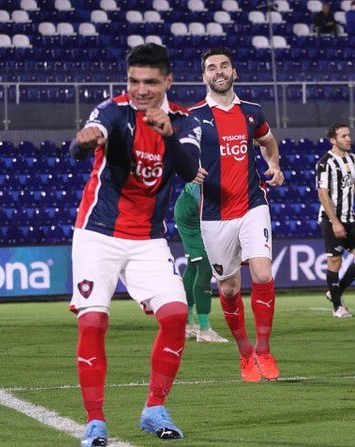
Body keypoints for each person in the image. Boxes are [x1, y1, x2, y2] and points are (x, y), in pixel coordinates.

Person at [68, 43, 203, 446]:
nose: (140, 90)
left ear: (167, 82)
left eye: (150, 82)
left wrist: (169, 135)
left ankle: (154, 408)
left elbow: (190, 169)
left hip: (147, 237)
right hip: (99, 233)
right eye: (133, 81)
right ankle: (95, 422)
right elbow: (83, 144)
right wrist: (85, 139)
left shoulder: (185, 122)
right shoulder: (113, 110)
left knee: (177, 315)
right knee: (93, 320)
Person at [189, 47, 285, 382]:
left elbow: (269, 142)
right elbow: (178, 157)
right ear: (204, 76)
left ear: (234, 72)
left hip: (252, 204)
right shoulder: (194, 116)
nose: (219, 71)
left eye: (224, 65)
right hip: (214, 215)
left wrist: (274, 165)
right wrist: (189, 170)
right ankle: (245, 354)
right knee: (229, 289)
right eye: (211, 67)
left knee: (262, 273)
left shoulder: (253, 112)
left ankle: (264, 350)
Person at [316, 124, 355, 318]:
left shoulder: (353, 159)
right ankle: (337, 307)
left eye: (349, 135)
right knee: (334, 261)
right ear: (333, 140)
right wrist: (335, 222)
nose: (349, 139)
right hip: (332, 218)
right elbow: (322, 194)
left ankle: (334, 291)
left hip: (351, 217)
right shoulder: (325, 162)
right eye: (344, 136)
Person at [173, 182, 229, 343]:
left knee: (193, 264)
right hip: (193, 210)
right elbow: (199, 193)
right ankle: (204, 330)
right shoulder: (209, 160)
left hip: (187, 206)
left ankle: (187, 325)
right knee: (204, 267)